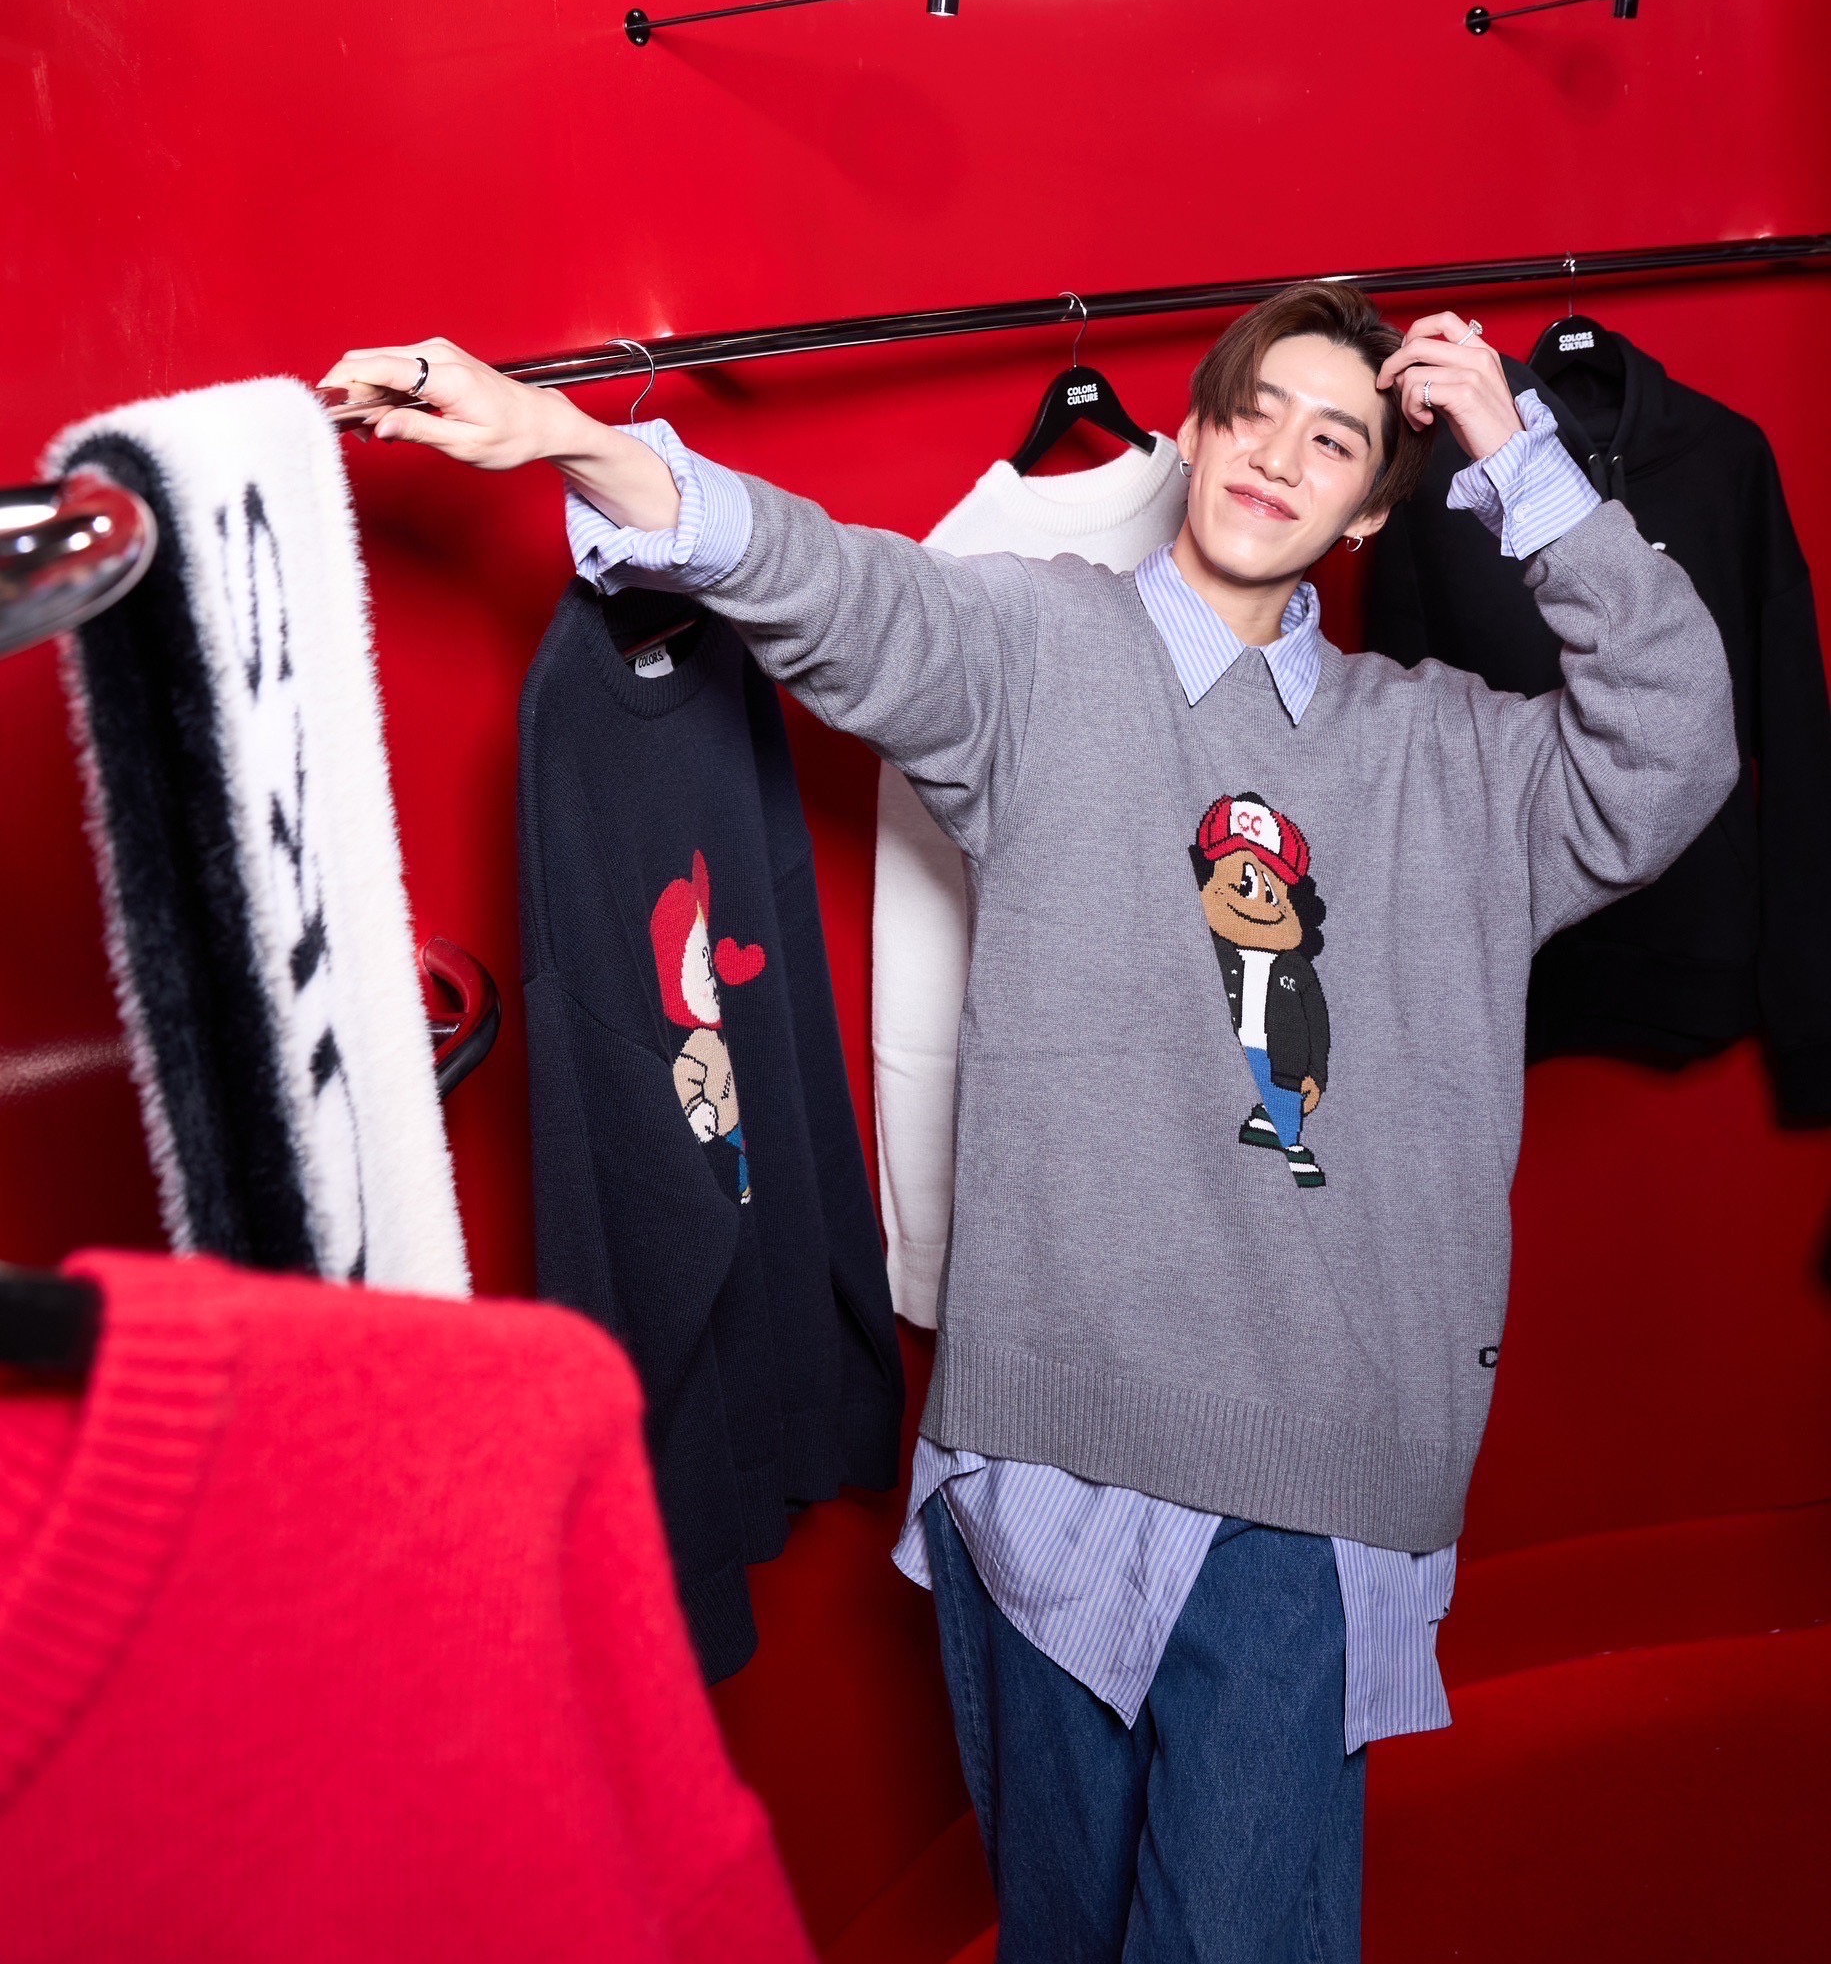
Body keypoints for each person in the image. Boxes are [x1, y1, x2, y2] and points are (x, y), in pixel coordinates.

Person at [324, 286, 1736, 1962]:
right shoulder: (1040, 650)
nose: (1277, 456)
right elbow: (828, 580)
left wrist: (1523, 463)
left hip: (1307, 1483)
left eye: (1334, 439)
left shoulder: (1452, 763)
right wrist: (564, 436)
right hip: (1047, 1454)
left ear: (1371, 509)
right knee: (1059, 1935)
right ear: (1194, 433)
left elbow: (1674, 746)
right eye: (1254, 412)